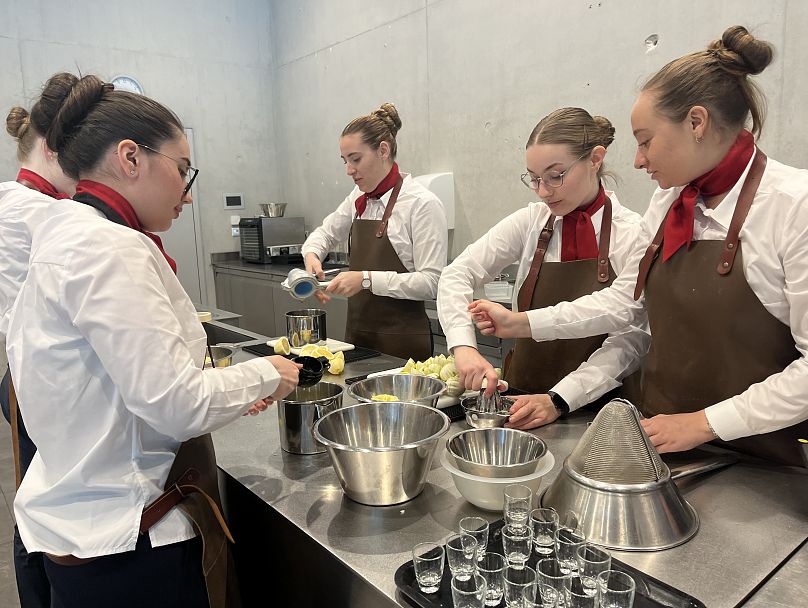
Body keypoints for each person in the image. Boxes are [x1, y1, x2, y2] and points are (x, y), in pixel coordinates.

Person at [5, 73, 300, 608]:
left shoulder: (70, 234)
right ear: (131, 158)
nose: (188, 194)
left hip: (87, 531)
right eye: (183, 170)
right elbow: (173, 403)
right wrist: (269, 371)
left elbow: (127, 383)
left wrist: (221, 384)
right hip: (129, 545)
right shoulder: (108, 247)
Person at [470, 26, 808, 467]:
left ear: (697, 123)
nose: (636, 160)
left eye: (646, 141)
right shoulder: (669, 201)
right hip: (665, 446)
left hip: (765, 462)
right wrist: (524, 323)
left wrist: (703, 423)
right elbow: (628, 307)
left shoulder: (793, 205)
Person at [438, 108, 648, 429]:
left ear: (595, 159)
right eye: (534, 178)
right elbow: (457, 273)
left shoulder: (631, 232)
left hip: (597, 412)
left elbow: (632, 337)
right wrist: (463, 346)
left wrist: (559, 398)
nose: (543, 191)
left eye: (556, 175)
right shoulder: (532, 221)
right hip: (521, 400)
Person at [1, 72, 80, 608]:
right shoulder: (46, 214)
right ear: (56, 148)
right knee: (49, 497)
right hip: (46, 381)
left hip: (15, 374)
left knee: (33, 491)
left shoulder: (7, 199)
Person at [302, 103, 448, 360]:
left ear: (383, 150)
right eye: (345, 161)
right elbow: (325, 234)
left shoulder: (422, 204)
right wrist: (312, 255)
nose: (349, 170)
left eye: (355, 159)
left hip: (404, 350)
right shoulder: (358, 197)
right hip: (357, 342)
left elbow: (431, 283)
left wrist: (366, 279)